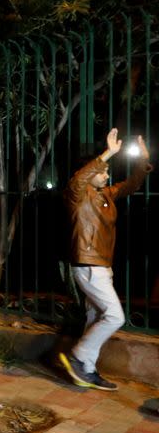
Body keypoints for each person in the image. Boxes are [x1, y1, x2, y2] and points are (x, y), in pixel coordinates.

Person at [60, 128, 152, 391]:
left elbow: (131, 184)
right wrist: (108, 153)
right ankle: (78, 358)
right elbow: (79, 179)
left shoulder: (105, 196)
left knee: (96, 316)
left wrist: (142, 162)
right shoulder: (77, 195)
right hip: (89, 265)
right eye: (103, 171)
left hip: (102, 266)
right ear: (90, 172)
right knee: (114, 316)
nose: (107, 174)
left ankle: (87, 370)